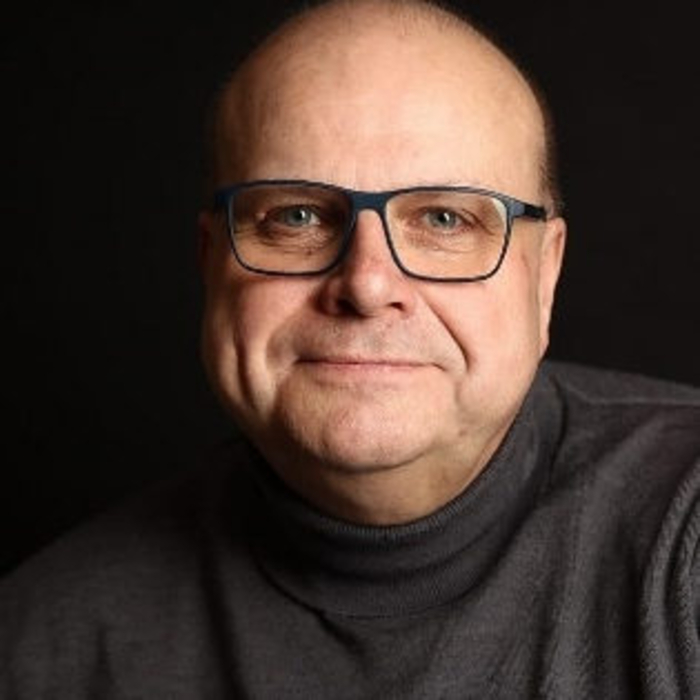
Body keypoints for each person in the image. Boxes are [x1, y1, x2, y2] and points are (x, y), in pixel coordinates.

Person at [2, 0, 699, 697]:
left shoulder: (686, 538)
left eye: (444, 219)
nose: (366, 284)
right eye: (297, 216)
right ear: (211, 263)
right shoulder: (42, 647)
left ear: (544, 277)